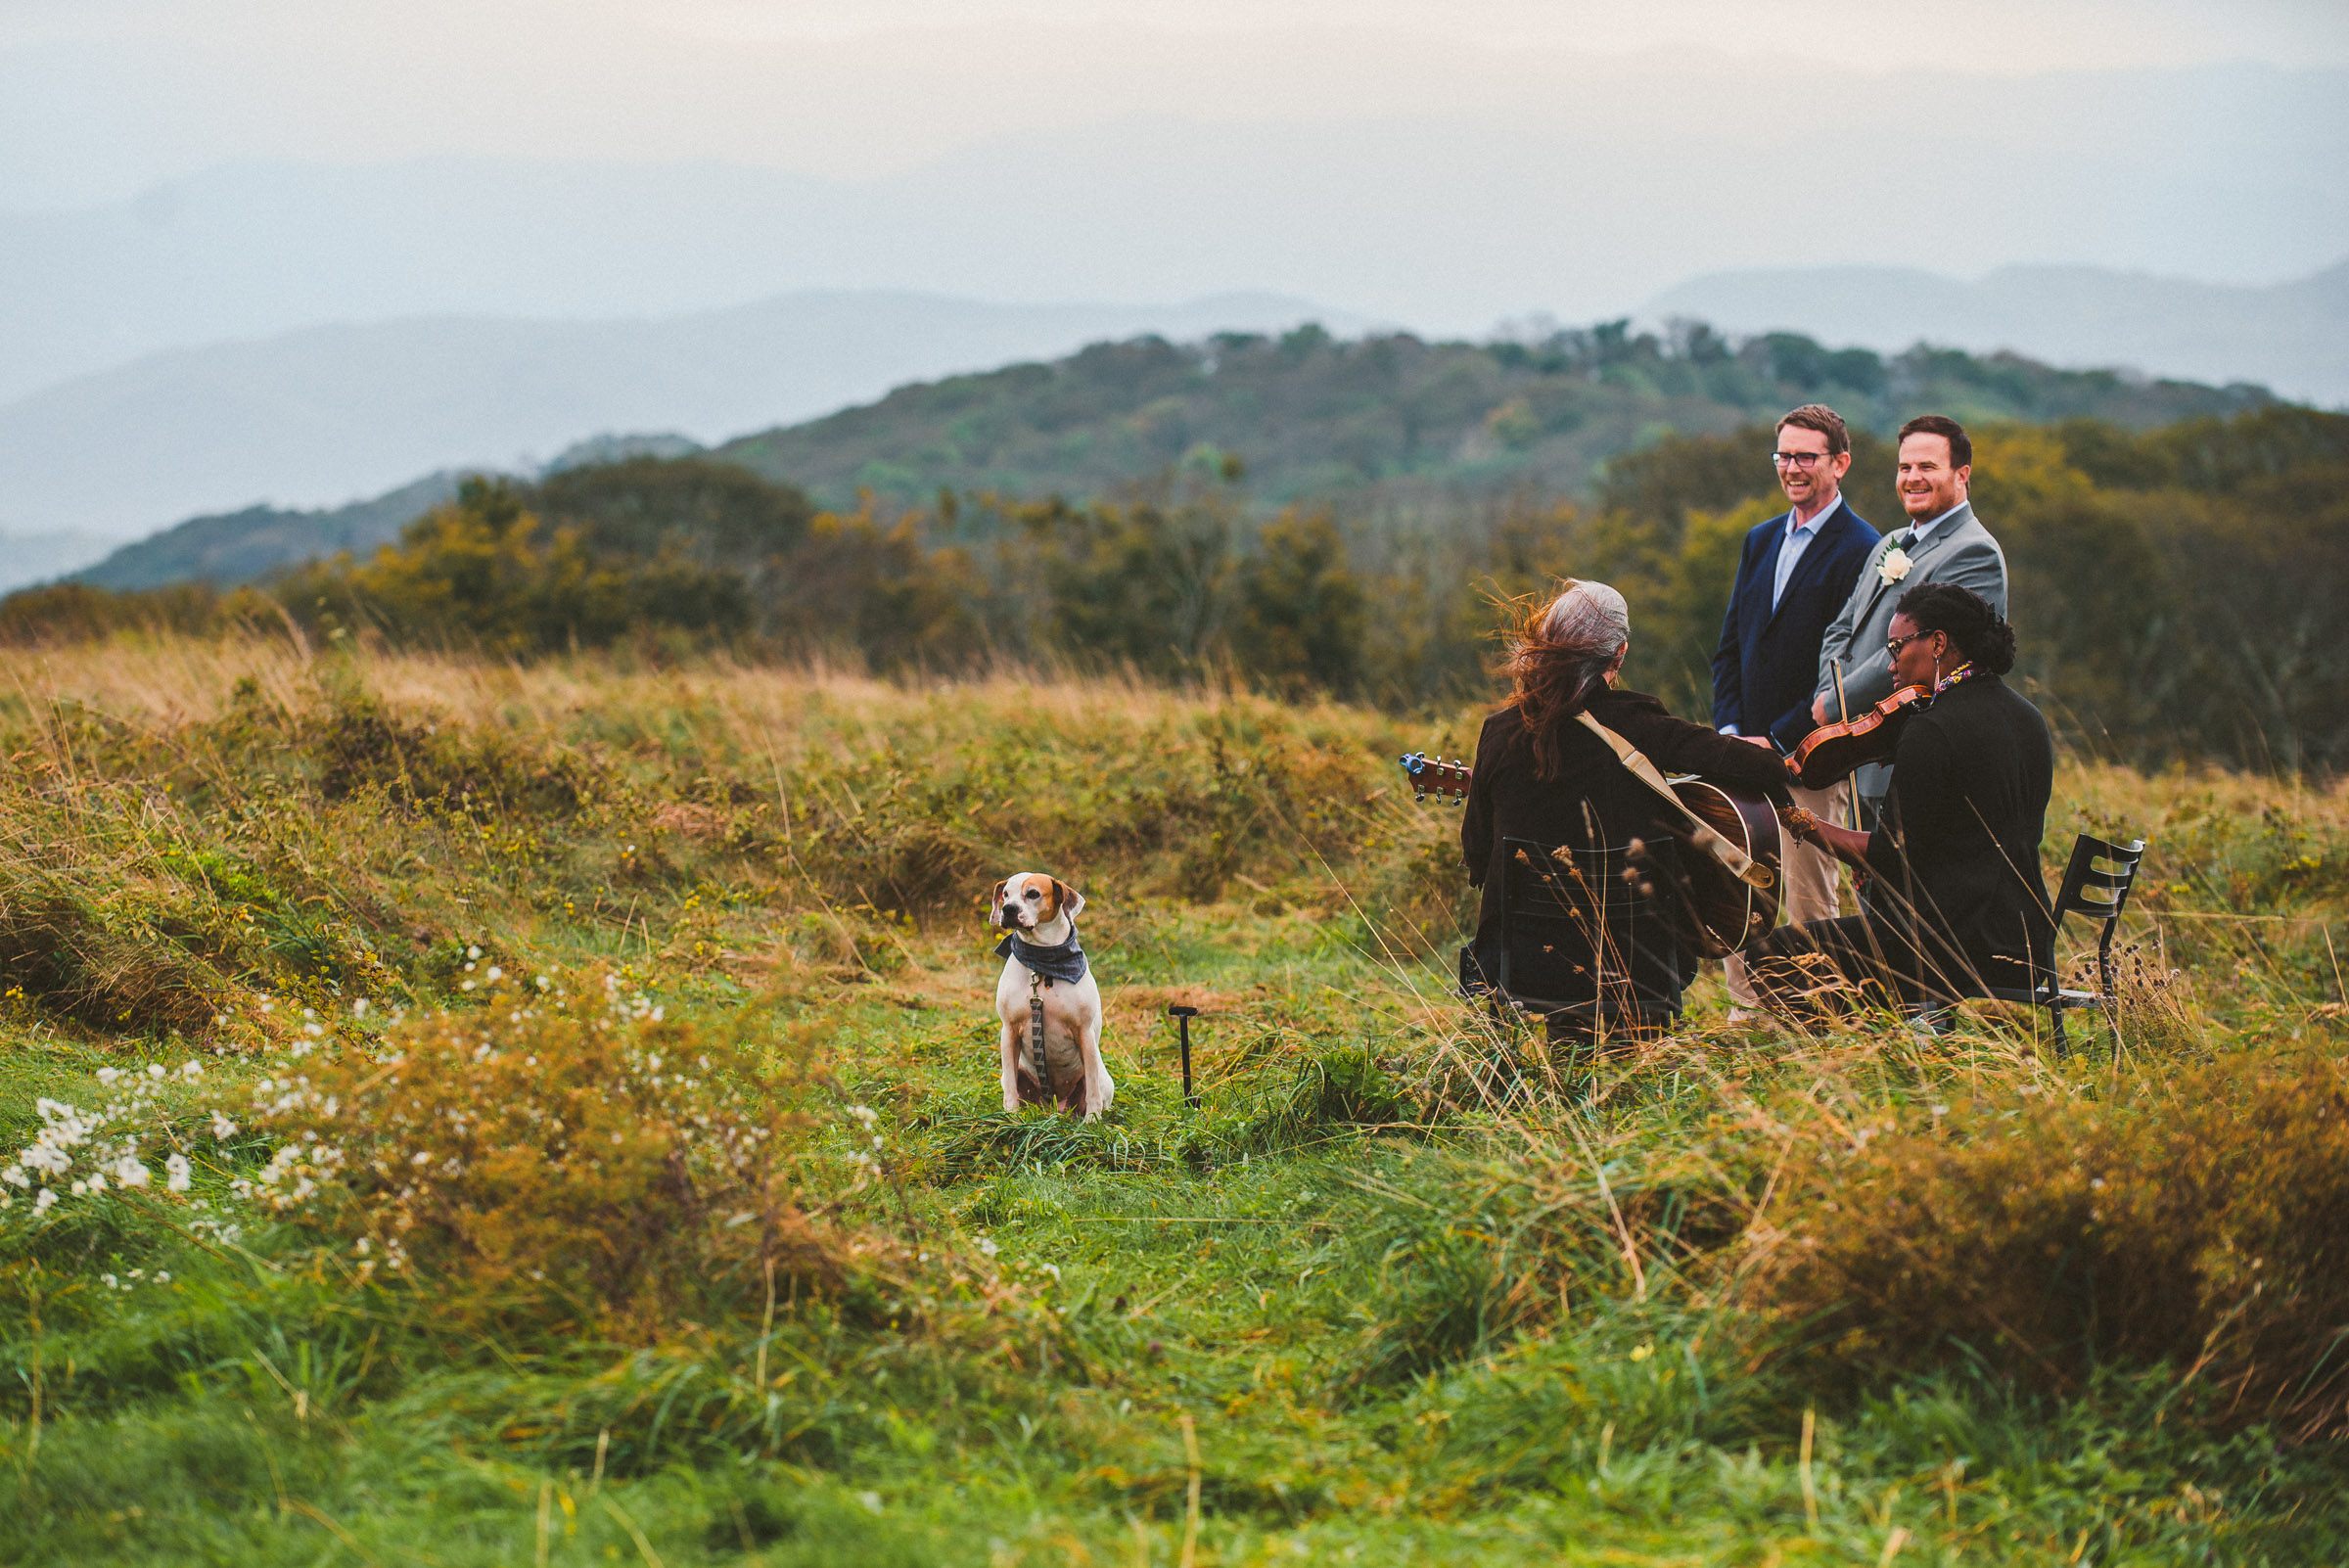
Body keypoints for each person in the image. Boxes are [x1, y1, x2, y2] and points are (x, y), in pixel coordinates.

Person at [1461, 579, 1793, 1028]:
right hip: (1639, 975)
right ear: (1619, 655)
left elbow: (1477, 856)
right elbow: (1765, 767)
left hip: (1523, 969)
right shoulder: (1644, 725)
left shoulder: (1498, 732)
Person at [1749, 582, 2054, 1017]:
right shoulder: (2030, 718)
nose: (1891, 664)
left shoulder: (1931, 730)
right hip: (2025, 940)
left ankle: (1860, 1058)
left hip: (1950, 944)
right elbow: (1961, 839)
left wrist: (1804, 823)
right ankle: (1898, 1037)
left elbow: (1890, 854)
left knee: (1774, 955)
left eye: (1896, 647)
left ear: (1939, 643)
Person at [1710, 403, 1881, 1024]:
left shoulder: (1863, 548)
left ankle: (1815, 1023)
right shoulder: (1759, 540)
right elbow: (1730, 648)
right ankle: (1747, 1020)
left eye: (1806, 456)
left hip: (1812, 758)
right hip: (1740, 756)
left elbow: (1845, 671)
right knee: (1743, 890)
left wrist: (1775, 738)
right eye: (1783, 454)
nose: (1792, 467)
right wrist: (1729, 733)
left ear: (1840, 463)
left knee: (1811, 899)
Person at [1808, 414, 2007, 834]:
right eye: (1905, 468)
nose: (1913, 478)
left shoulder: (1973, 552)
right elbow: (1842, 628)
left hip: (1915, 751)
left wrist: (1838, 701)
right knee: (1871, 895)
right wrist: (1831, 694)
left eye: (1927, 467)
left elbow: (1916, 649)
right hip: (1864, 749)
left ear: (1962, 474)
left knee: (1907, 894)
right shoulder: (1891, 542)